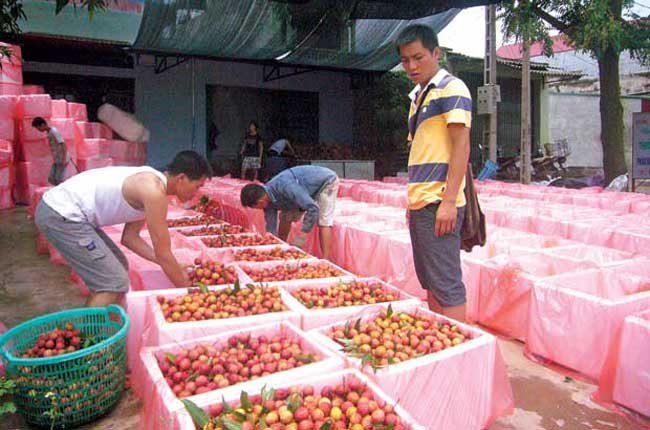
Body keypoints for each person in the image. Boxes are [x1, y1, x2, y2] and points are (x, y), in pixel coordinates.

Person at [34, 150, 212, 307]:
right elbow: (164, 252)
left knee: (119, 267)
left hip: (70, 214)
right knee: (113, 282)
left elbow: (130, 238)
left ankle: (105, 325)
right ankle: (89, 340)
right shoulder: (153, 191)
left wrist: (172, 265)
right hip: (61, 214)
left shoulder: (153, 184)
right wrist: (192, 294)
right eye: (197, 186)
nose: (196, 193)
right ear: (181, 178)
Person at [396, 24, 472, 322]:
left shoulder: (452, 88)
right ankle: (439, 337)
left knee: (446, 282)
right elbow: (424, 152)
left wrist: (449, 201)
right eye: (405, 60)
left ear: (435, 53)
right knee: (430, 280)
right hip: (421, 202)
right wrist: (413, 203)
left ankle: (455, 350)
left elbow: (461, 147)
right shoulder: (418, 98)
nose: (411, 66)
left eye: (418, 57)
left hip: (439, 201)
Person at [240, 166, 338, 260]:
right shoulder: (267, 199)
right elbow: (271, 224)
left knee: (324, 220)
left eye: (255, 207)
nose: (258, 209)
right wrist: (273, 243)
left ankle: (326, 259)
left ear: (260, 201)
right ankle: (283, 246)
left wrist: (302, 236)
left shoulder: (285, 186)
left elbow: (312, 208)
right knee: (285, 217)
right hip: (302, 189)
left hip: (326, 181)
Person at [31, 117, 69, 186]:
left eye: (38, 128)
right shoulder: (49, 132)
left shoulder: (54, 131)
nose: (39, 130)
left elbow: (63, 144)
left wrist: (64, 158)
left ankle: (63, 192)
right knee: (51, 178)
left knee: (59, 180)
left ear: (42, 125)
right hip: (57, 159)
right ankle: (58, 191)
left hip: (62, 158)